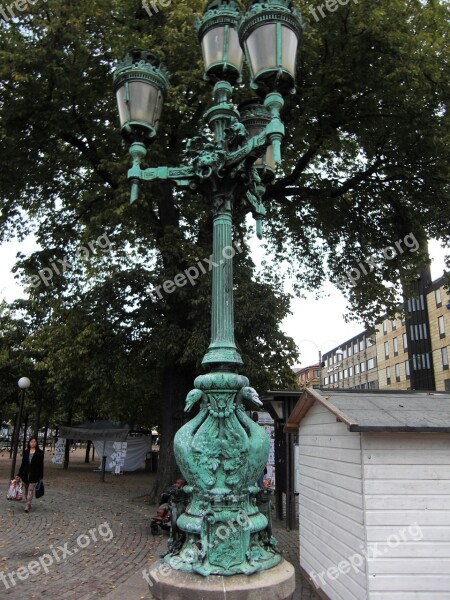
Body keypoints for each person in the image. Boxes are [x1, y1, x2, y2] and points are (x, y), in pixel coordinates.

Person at [16, 436, 44, 513]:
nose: (33, 443)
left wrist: (41, 476)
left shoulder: (40, 453)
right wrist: (19, 474)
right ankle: (28, 501)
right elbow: (23, 464)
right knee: (26, 489)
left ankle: (27, 505)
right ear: (29, 443)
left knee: (30, 490)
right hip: (25, 474)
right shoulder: (26, 452)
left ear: (37, 443)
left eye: (34, 441)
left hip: (34, 474)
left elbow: (41, 465)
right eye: (31, 441)